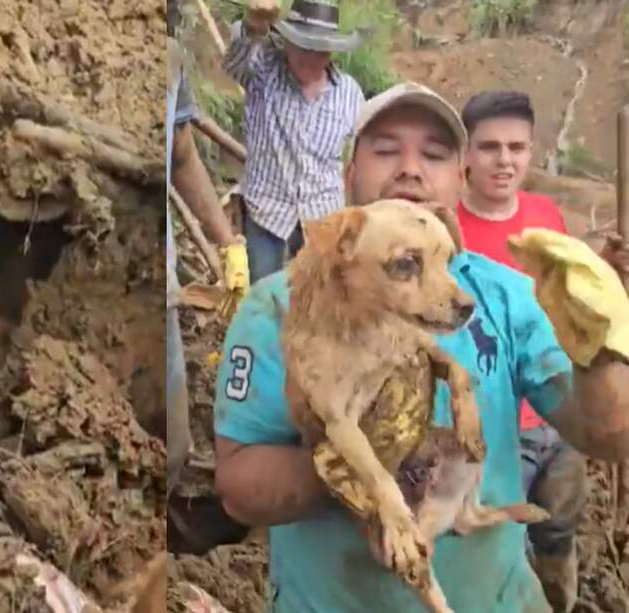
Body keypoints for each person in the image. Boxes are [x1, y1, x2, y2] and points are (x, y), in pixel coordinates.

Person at [212, 81, 629, 612]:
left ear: (460, 181)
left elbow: (607, 436)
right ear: (348, 179)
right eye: (385, 150)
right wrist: (366, 459)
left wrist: (603, 345)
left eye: (433, 154)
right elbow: (239, 489)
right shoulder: (275, 309)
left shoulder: (507, 297)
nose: (410, 168)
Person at [457, 90, 586, 612]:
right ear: (464, 153)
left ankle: (559, 601)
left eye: (516, 147)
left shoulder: (545, 215)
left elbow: (568, 297)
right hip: (492, 430)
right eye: (489, 147)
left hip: (560, 414)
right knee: (493, 541)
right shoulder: (446, 232)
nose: (504, 160)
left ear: (532, 151)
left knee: (558, 533)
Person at [222, 0, 365, 283]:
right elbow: (235, 61)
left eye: (320, 50)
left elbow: (363, 151)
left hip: (323, 218)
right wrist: (253, 25)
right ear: (287, 42)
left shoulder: (349, 93)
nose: (311, 57)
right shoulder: (263, 71)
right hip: (267, 214)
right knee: (264, 297)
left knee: (320, 296)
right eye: (304, 47)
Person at [167, 7, 250, 493]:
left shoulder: (172, 59)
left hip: (163, 278)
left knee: (173, 443)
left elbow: (180, 151)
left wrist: (228, 243)